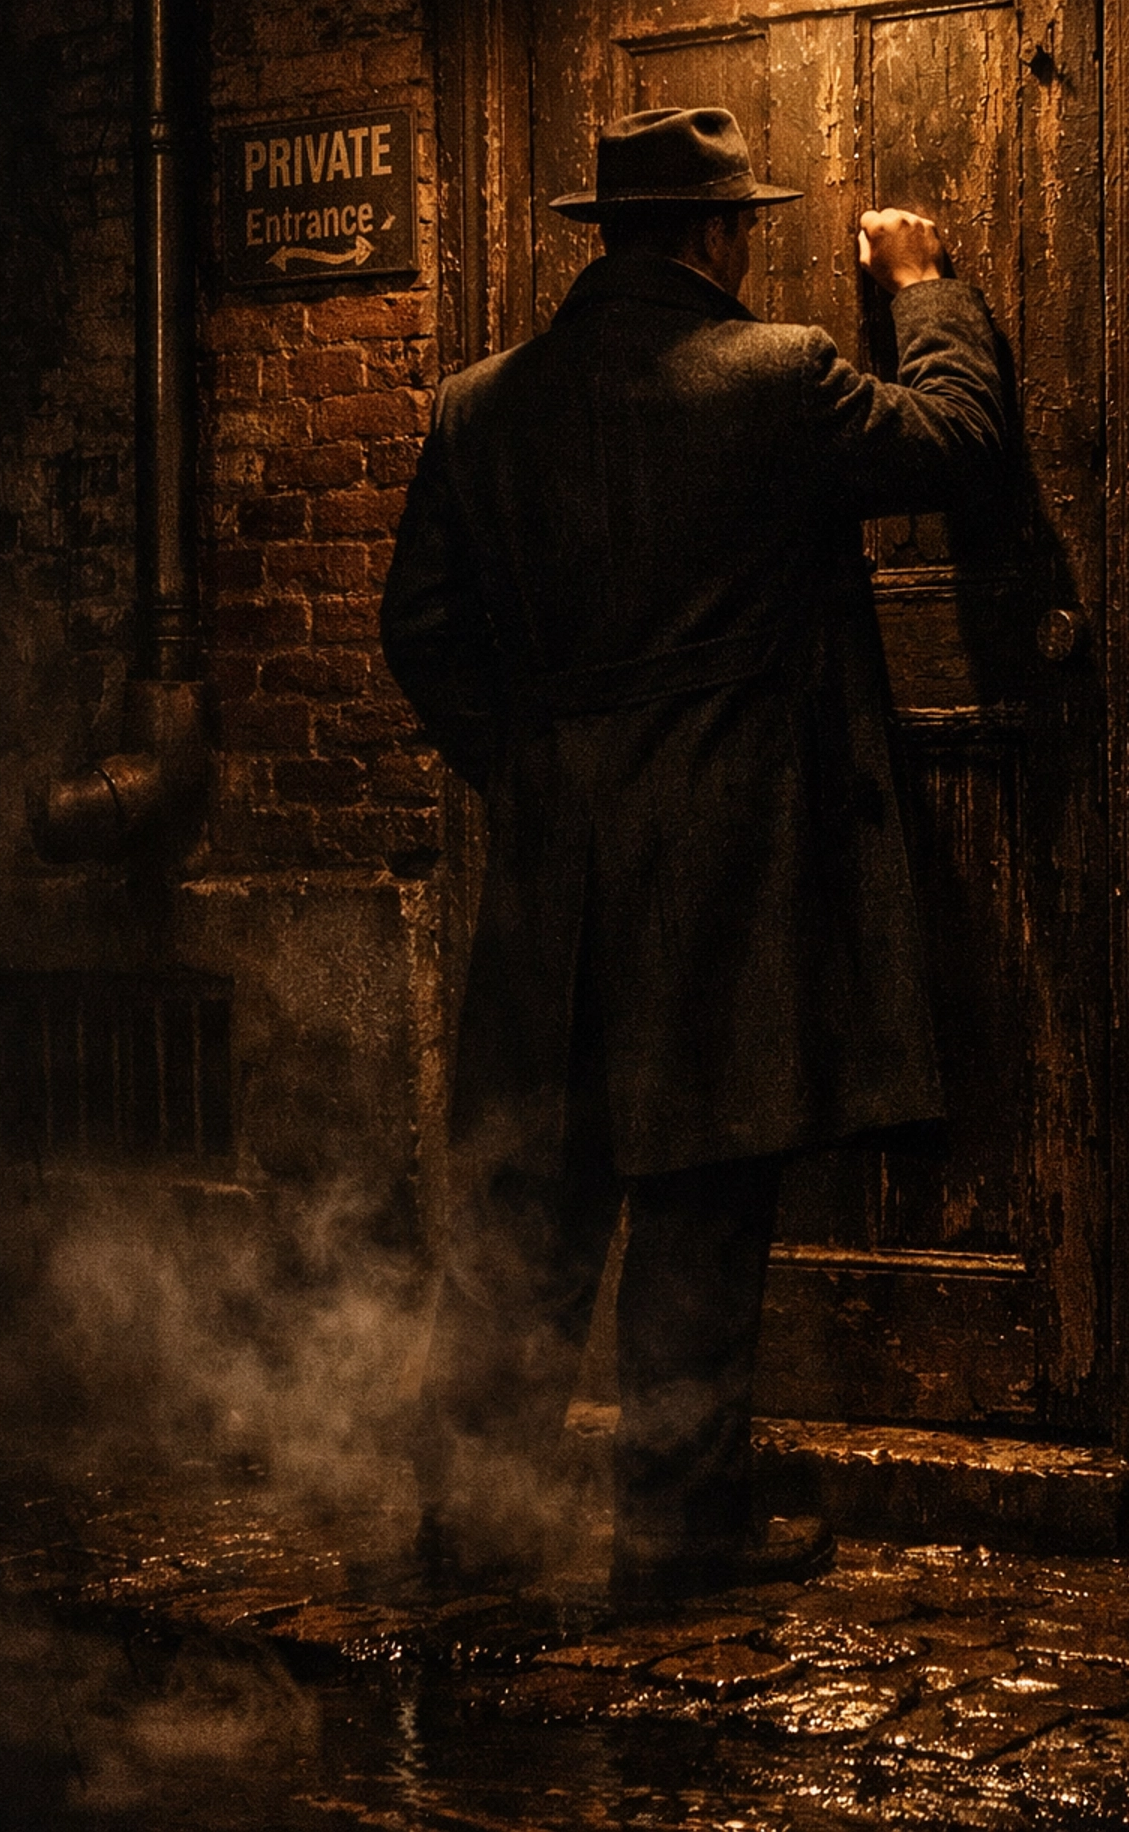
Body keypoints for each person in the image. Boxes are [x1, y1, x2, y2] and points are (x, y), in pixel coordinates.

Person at [380, 104, 1006, 1600]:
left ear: (608, 237)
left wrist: (535, 770)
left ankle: (470, 1523)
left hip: (553, 880)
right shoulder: (776, 375)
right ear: (721, 237)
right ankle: (676, 1531)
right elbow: (960, 443)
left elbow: (420, 631)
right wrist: (923, 291)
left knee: (534, 1202)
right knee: (703, 1203)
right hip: (726, 866)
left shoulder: (479, 406)